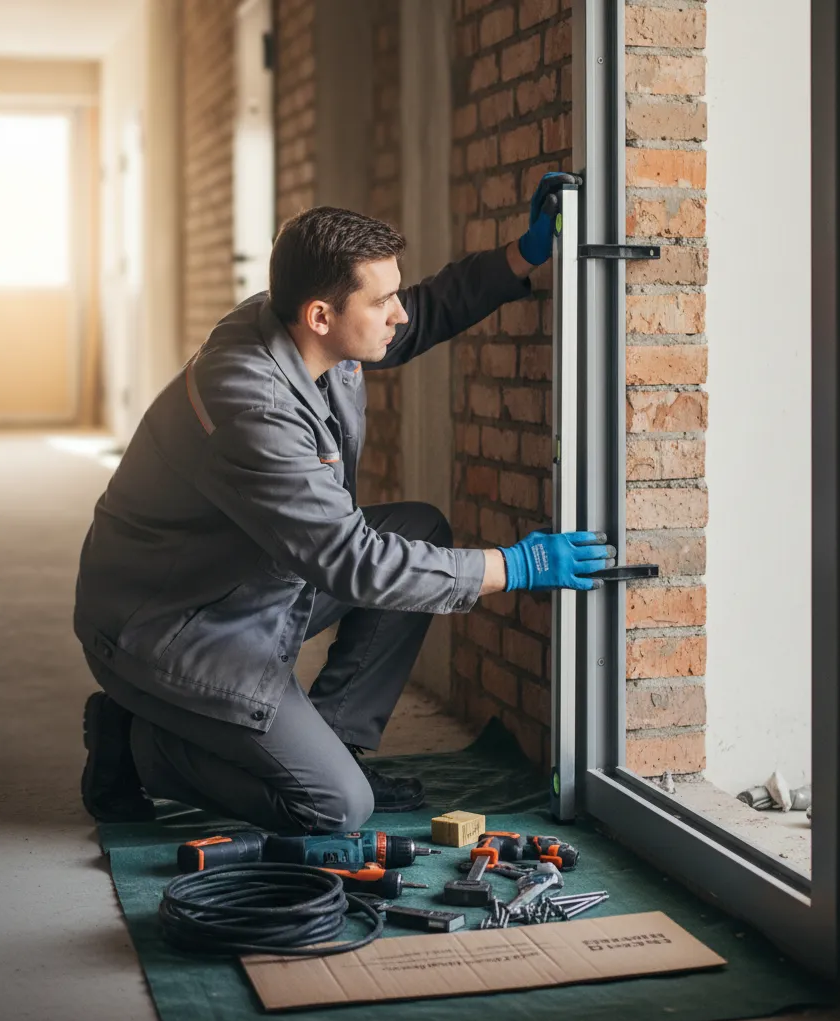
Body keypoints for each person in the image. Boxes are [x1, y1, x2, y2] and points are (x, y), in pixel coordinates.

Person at [75, 171, 613, 834]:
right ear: (322, 316)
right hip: (170, 626)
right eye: (383, 301)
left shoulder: (301, 324)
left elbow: (419, 314)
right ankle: (137, 743)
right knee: (335, 808)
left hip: (237, 582)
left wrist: (524, 254)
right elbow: (350, 562)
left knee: (422, 530)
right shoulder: (254, 408)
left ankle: (334, 741)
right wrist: (515, 567)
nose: (401, 313)